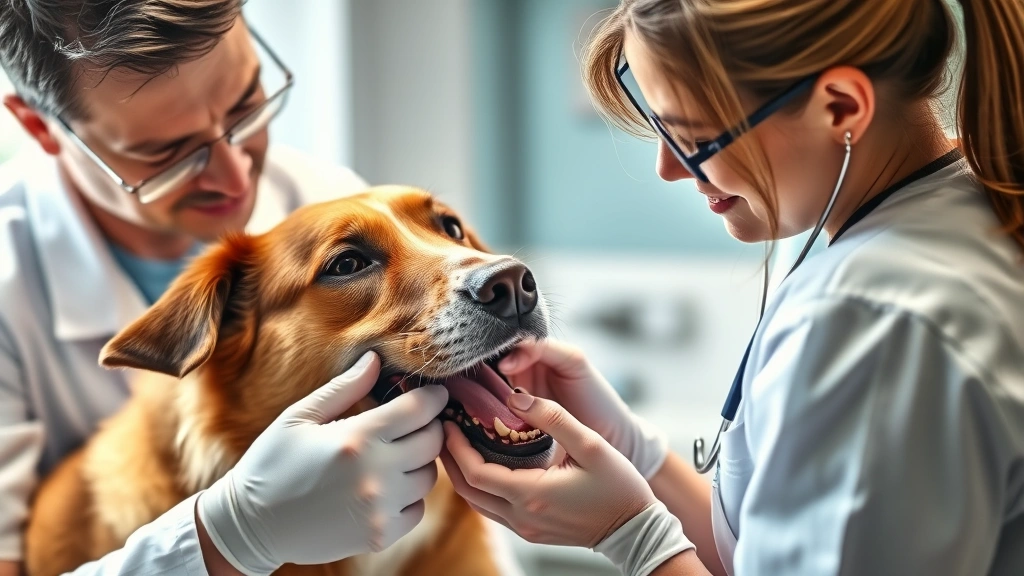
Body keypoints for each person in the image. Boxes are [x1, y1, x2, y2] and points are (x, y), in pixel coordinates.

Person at [440, 0, 1024, 575]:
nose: (669, 168)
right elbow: (766, 549)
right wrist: (634, 451)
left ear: (841, 107)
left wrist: (633, 538)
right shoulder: (963, 209)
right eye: (659, 126)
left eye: (693, 137)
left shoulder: (872, 319)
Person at [0, 1, 447, 574]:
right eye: (165, 154)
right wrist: (231, 538)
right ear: (40, 128)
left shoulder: (330, 196)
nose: (237, 176)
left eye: (247, 106)